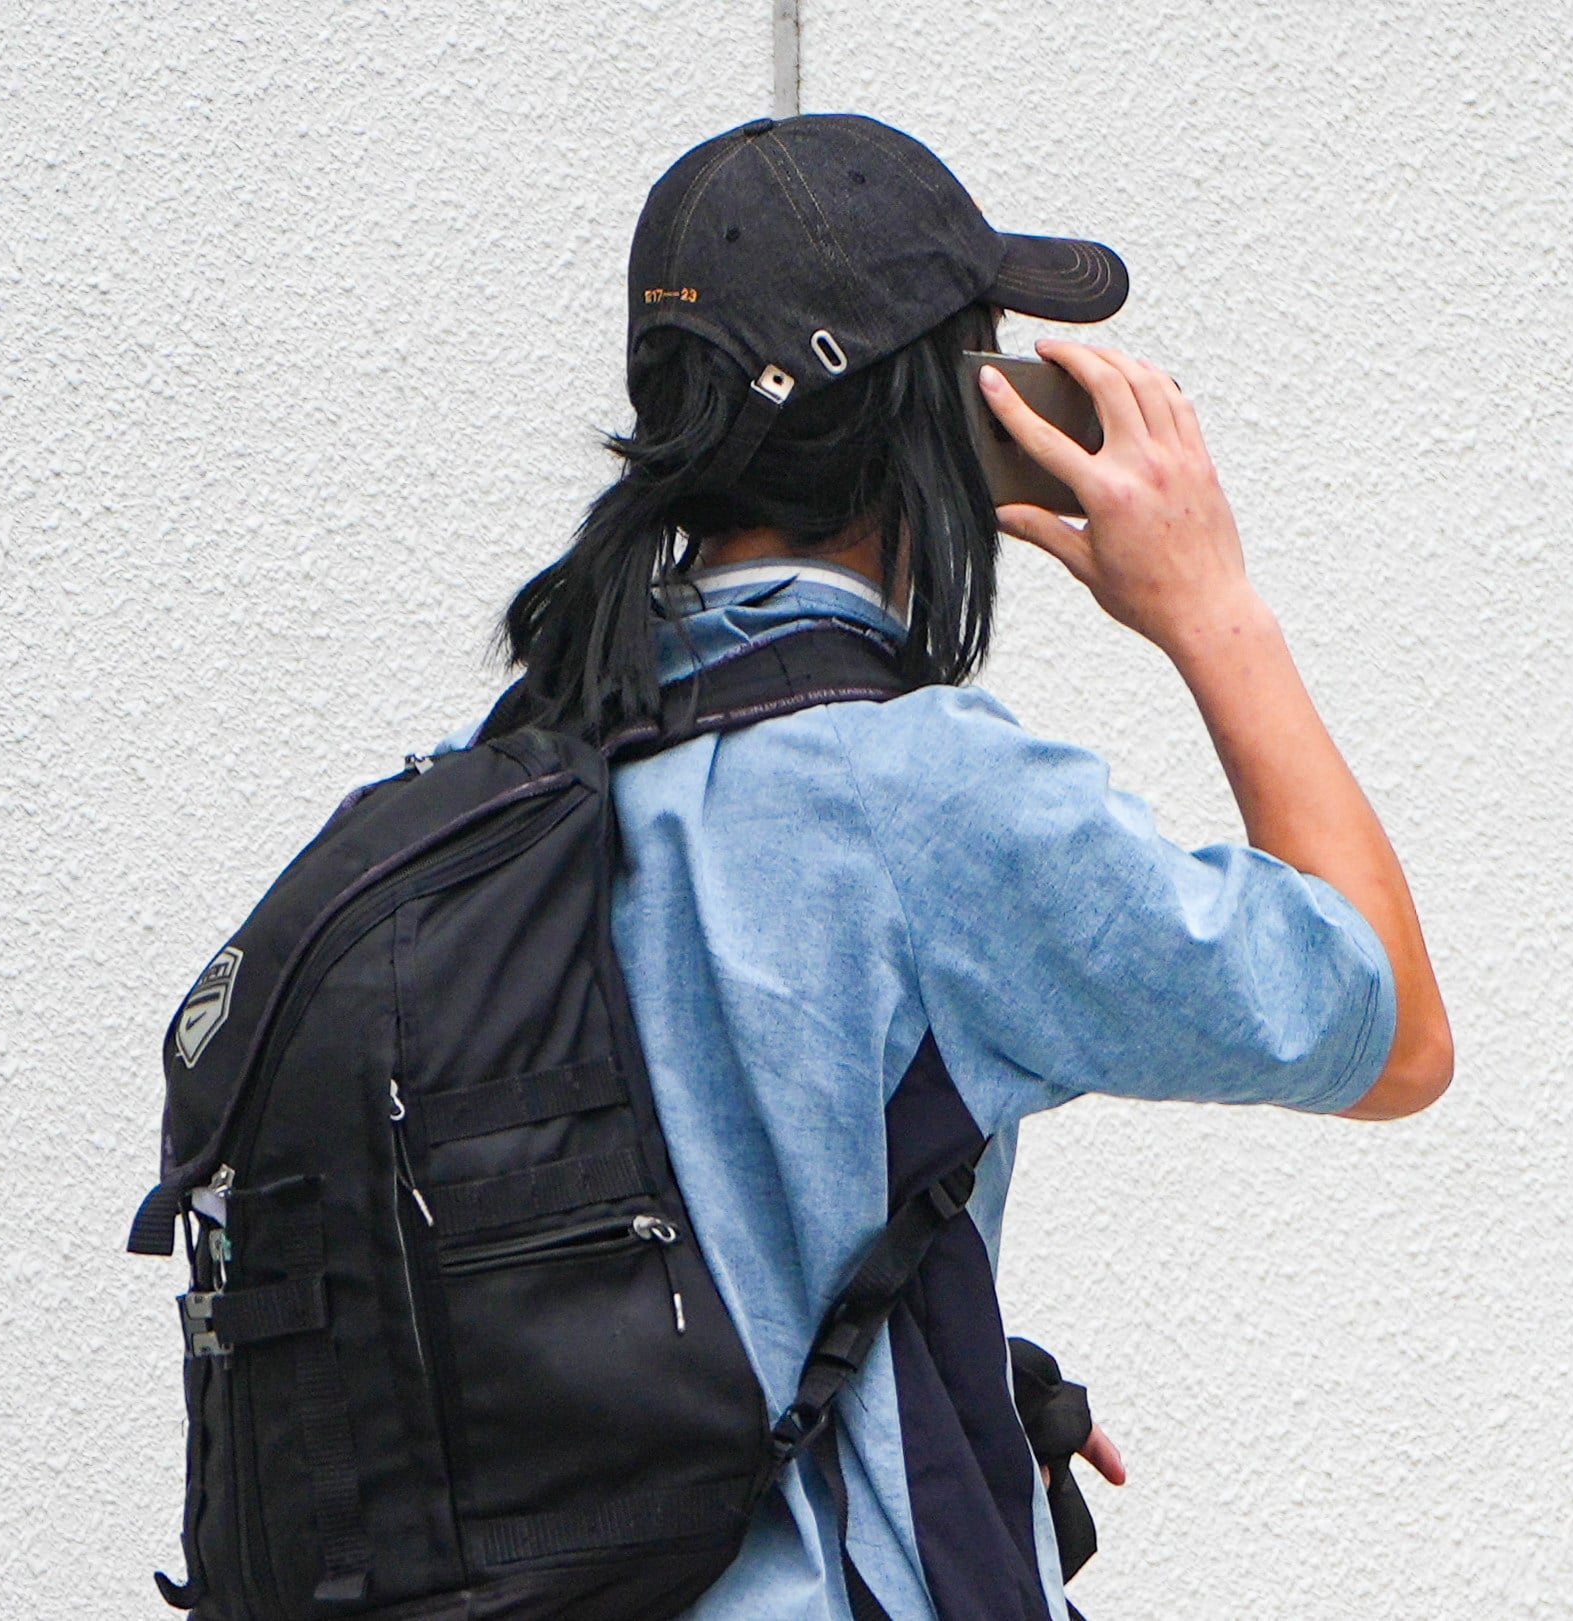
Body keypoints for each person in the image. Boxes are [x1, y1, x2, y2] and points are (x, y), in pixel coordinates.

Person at [484, 113, 1452, 1621]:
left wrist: (930, 1357)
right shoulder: (926, 797)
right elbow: (1390, 1036)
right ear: (943, 410)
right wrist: (1212, 608)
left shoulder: (504, 775)